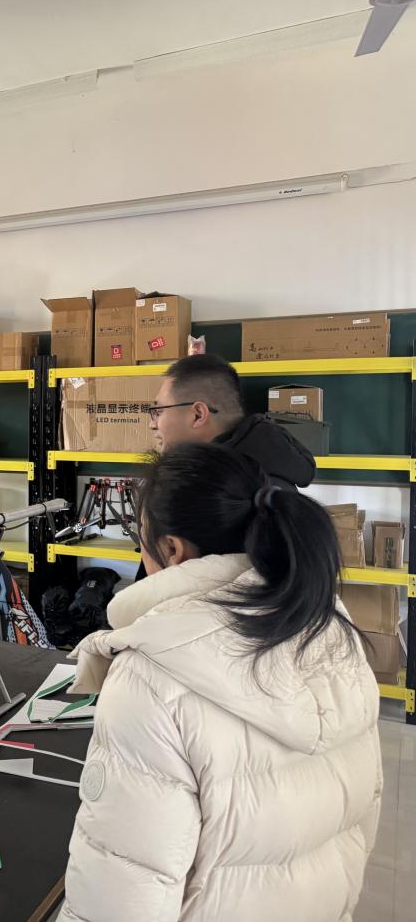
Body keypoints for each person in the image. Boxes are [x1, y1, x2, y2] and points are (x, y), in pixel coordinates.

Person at [61, 443, 381, 921]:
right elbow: (362, 813)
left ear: (172, 550)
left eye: (140, 540)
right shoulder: (329, 627)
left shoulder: (151, 675)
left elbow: (123, 891)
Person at [150, 352, 315, 489]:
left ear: (198, 415)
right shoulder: (259, 474)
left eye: (159, 411)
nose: (152, 424)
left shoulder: (229, 497)